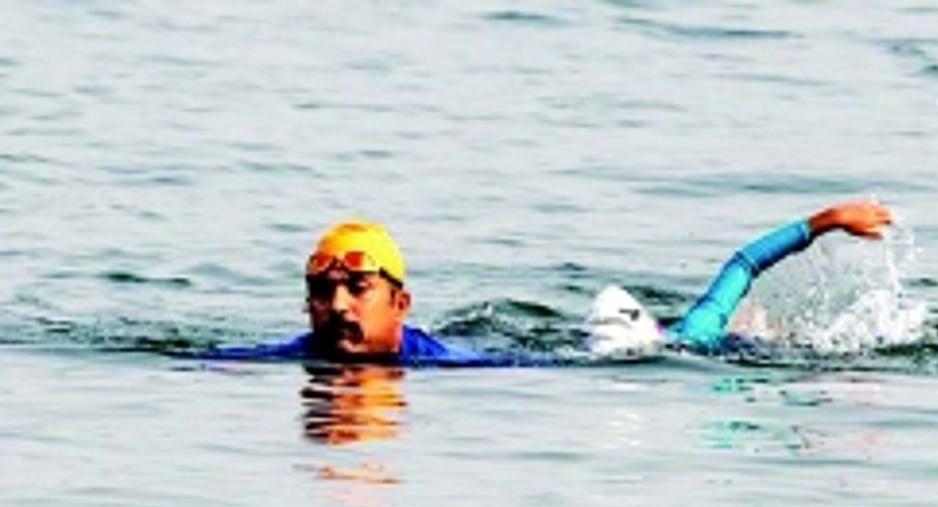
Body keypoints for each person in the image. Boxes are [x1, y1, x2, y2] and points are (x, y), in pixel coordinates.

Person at [204, 199, 893, 366]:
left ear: (401, 303)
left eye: (357, 289)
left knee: (727, 339)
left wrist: (824, 222)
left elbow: (738, 268)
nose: (337, 305)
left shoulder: (443, 362)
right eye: (322, 293)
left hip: (653, 348)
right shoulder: (299, 354)